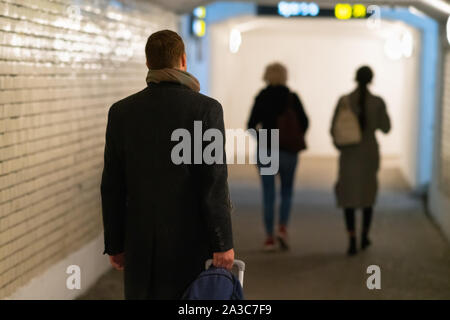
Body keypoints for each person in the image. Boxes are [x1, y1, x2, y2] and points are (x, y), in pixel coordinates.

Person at [100, 30, 234, 299]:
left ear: (148, 63)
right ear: (183, 60)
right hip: (190, 243)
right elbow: (213, 181)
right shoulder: (206, 109)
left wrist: (115, 243)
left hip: (139, 243)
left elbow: (112, 185)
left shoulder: (122, 111)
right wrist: (222, 242)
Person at [247, 62, 309, 251]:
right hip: (289, 152)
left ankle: (269, 238)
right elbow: (305, 122)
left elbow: (250, 124)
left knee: (268, 193)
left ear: (266, 75)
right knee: (287, 190)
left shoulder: (262, 96)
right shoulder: (292, 97)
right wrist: (293, 138)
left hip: (267, 150)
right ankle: (282, 227)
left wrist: (263, 139)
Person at [330, 66, 391, 256]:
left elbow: (334, 129)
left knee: (348, 197)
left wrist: (342, 147)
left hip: (349, 155)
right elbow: (386, 127)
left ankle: (352, 240)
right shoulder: (378, 102)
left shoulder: (344, 101)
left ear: (355, 78)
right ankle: (365, 236)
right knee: (367, 197)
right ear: (372, 79)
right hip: (369, 154)